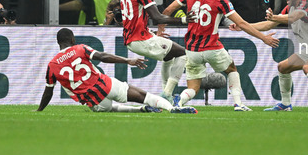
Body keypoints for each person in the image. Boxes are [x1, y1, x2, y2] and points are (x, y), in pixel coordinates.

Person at [162, 0, 279, 111]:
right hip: (211, 46)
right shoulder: (221, 0)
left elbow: (168, 10)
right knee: (232, 69)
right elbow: (242, 23)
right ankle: (238, 104)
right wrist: (263, 38)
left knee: (194, 87)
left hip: (192, 49)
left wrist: (160, 30)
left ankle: (179, 101)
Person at [36, 28, 197, 113]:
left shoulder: (52, 65)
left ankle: (140, 110)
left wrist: (39, 109)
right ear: (72, 39)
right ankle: (171, 108)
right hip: (106, 85)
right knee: (144, 96)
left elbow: (48, 92)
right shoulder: (80, 48)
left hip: (93, 100)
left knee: (109, 108)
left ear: (58, 43)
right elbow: (103, 56)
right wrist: (127, 60)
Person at [121, 0, 194, 103]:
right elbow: (157, 17)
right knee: (182, 53)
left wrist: (151, 33)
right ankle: (167, 94)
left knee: (168, 57)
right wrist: (184, 20)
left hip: (133, 39)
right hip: (140, 40)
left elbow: (134, 18)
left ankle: (166, 93)